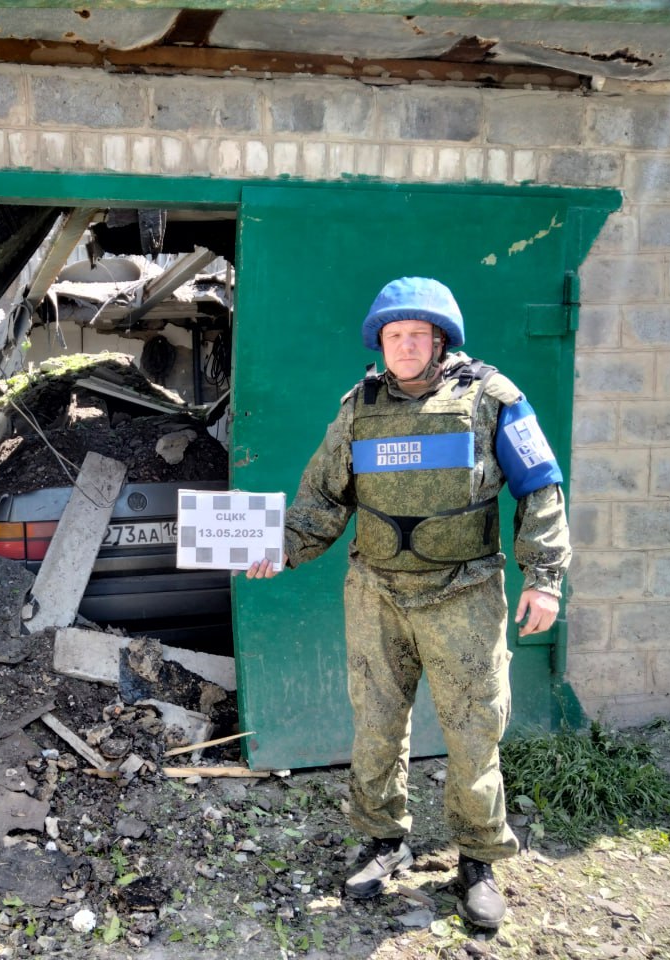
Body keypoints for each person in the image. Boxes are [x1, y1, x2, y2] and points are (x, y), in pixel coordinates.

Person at [246, 276, 570, 929]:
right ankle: (383, 840)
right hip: (377, 593)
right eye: (394, 335)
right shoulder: (359, 408)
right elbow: (322, 496)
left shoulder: (492, 398)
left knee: (474, 729)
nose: (406, 346)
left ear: (440, 339)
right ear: (381, 342)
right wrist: (280, 548)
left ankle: (478, 859)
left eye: (418, 334)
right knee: (376, 724)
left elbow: (539, 486)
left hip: (464, 595)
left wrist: (544, 577)